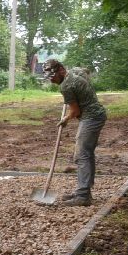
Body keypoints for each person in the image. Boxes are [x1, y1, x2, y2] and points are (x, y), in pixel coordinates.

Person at [42, 58, 105, 206]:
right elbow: (84, 71)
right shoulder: (74, 73)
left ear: (61, 71)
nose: (51, 81)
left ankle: (83, 196)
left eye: (53, 77)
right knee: (86, 153)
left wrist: (65, 119)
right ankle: (83, 191)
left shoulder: (66, 86)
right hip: (96, 115)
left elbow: (76, 111)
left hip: (91, 118)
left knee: (82, 155)